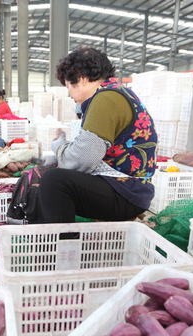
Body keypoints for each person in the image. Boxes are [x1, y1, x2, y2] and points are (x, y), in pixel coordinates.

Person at [31, 46, 158, 223]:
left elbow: (82, 160)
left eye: (69, 86)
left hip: (126, 193)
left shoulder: (105, 99)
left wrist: (59, 147)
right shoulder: (116, 92)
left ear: (82, 79)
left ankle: (65, 246)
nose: (70, 94)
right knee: (53, 174)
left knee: (54, 181)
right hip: (131, 189)